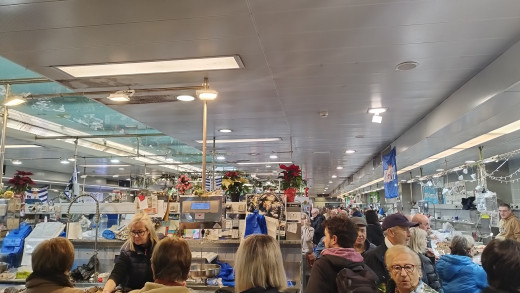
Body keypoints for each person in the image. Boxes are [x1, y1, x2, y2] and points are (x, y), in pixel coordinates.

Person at [364, 213, 441, 292]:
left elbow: (430, 283)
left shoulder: (415, 256)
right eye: (405, 230)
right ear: (391, 232)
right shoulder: (371, 258)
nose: (409, 234)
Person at [305, 217, 378, 293]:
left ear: (334, 239)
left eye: (326, 236)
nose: (324, 240)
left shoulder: (322, 264)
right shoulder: (361, 263)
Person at [103, 213, 160, 293]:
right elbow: (116, 274)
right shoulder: (127, 250)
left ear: (148, 231)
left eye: (140, 232)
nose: (136, 236)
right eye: (133, 232)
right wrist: (106, 291)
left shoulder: (159, 247)